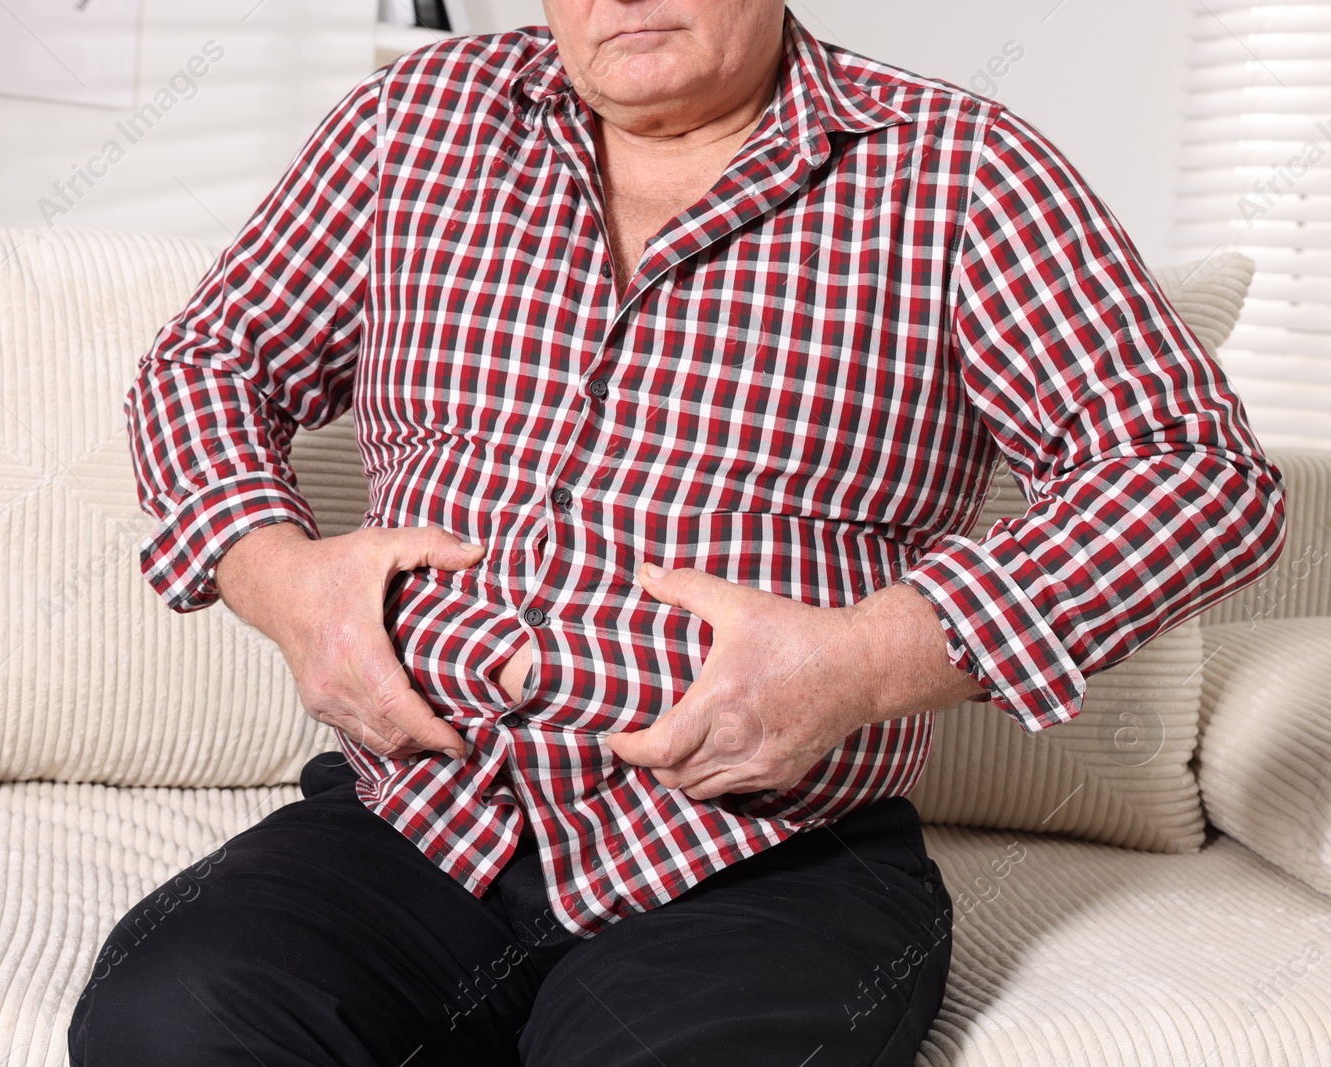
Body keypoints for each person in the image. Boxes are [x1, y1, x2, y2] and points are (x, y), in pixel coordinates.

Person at [70, 1, 1286, 1064]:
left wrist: (865, 660)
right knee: (170, 1017)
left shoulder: (964, 169)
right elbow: (206, 362)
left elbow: (1196, 476)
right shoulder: (412, 120)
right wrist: (280, 576)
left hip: (759, 854)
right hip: (420, 810)